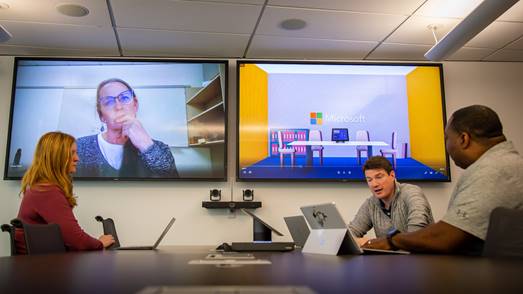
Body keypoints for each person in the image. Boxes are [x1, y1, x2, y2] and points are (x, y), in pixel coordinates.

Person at [363, 105, 523, 255]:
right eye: (370, 179)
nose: (374, 183)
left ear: (463, 139)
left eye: (447, 138)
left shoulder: (494, 169)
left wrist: (391, 241)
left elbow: (445, 237)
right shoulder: (504, 163)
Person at [15, 132, 115, 253]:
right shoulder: (47, 191)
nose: (77, 158)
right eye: (72, 153)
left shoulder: (42, 187)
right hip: (40, 265)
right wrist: (99, 243)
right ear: (57, 157)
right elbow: (76, 240)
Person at [76, 78, 179, 178]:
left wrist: (147, 145)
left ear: (135, 105)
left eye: (124, 98)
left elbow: (173, 186)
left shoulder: (161, 149)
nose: (118, 107)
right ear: (101, 116)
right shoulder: (79, 146)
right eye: (108, 102)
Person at [349, 156, 434, 246]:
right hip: (391, 259)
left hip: (423, 257)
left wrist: (370, 243)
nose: (374, 184)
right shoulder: (371, 204)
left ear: (392, 175)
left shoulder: (411, 193)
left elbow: (415, 234)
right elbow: (350, 234)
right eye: (369, 180)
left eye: (379, 177)